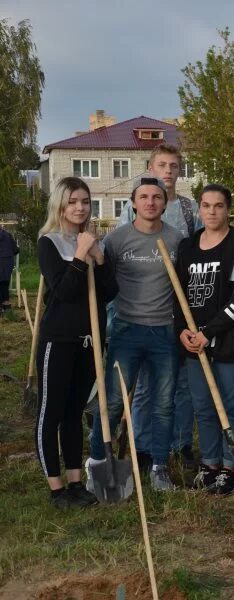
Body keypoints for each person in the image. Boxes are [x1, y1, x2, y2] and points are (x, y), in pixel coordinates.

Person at [87, 176, 183, 492]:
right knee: (113, 402)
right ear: (133, 202)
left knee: (163, 403)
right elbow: (103, 281)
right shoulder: (117, 240)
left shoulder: (176, 239)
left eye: (157, 197)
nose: (150, 202)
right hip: (126, 331)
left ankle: (158, 467)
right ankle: (99, 461)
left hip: (163, 332)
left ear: (164, 203)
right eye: (144, 197)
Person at [36, 177, 118, 508]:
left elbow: (109, 292)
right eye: (72, 201)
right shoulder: (49, 243)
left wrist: (98, 258)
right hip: (59, 339)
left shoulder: (91, 241)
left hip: (89, 341)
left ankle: (75, 483)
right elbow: (65, 292)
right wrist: (81, 254)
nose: (80, 207)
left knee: (73, 414)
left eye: (85, 201)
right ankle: (56, 489)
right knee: (51, 412)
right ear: (60, 204)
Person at [120, 144, 200, 471]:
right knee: (144, 387)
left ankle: (180, 444)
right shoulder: (134, 206)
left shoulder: (189, 209)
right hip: (139, 311)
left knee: (181, 385)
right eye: (162, 165)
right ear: (151, 167)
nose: (168, 171)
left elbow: (195, 257)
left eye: (174, 166)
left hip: (176, 310)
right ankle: (142, 448)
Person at [175, 184, 234, 495]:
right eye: (206, 206)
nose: (211, 211)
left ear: (228, 210)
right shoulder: (188, 246)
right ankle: (209, 464)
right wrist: (183, 330)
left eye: (218, 206)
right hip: (194, 343)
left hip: (228, 342)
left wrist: (208, 333)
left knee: (232, 405)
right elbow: (177, 294)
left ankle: (230, 466)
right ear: (199, 209)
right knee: (204, 406)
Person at [0, 223, 18, 312]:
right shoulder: (8, 235)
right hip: (7, 262)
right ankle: (6, 307)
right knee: (4, 284)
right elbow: (15, 249)